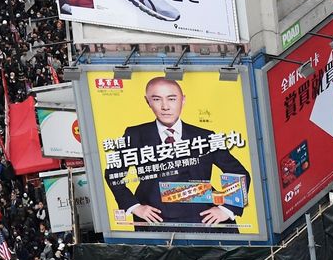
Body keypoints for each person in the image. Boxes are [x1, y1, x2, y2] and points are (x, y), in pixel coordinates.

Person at [102, 75, 250, 229]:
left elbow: (238, 172)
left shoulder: (205, 136)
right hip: (155, 219)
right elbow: (113, 174)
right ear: (148, 102)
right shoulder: (135, 135)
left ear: (183, 100)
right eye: (157, 99)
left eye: (172, 99)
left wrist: (227, 209)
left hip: (203, 217)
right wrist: (135, 207)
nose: (165, 106)